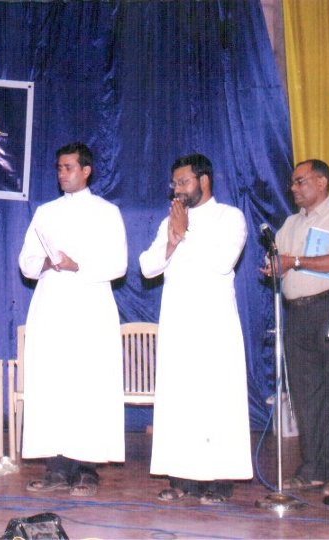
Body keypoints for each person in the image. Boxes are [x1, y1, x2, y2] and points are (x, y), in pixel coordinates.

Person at [139, 153, 251, 505]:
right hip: (178, 322)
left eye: (184, 182)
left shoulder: (230, 217)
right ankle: (181, 477)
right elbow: (147, 267)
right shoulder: (169, 221)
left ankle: (219, 480)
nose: (178, 189)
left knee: (216, 399)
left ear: (204, 181)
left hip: (214, 324)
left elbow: (223, 262)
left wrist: (186, 233)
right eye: (174, 183)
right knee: (180, 399)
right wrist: (172, 240)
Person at [18, 142, 127, 497]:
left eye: (68, 167)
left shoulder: (107, 212)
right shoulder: (45, 212)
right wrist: (48, 263)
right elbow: (26, 262)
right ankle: (56, 468)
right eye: (59, 168)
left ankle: (86, 470)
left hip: (90, 307)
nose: (62, 174)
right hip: (51, 306)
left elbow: (118, 264)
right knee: (52, 384)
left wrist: (76, 264)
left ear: (86, 170)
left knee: (86, 385)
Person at [262, 159, 329, 496]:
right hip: (297, 313)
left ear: (321, 182)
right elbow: (278, 259)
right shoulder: (290, 224)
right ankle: (313, 468)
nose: (293, 188)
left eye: (300, 181)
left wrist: (294, 261)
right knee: (305, 396)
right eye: (292, 182)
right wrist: (273, 267)